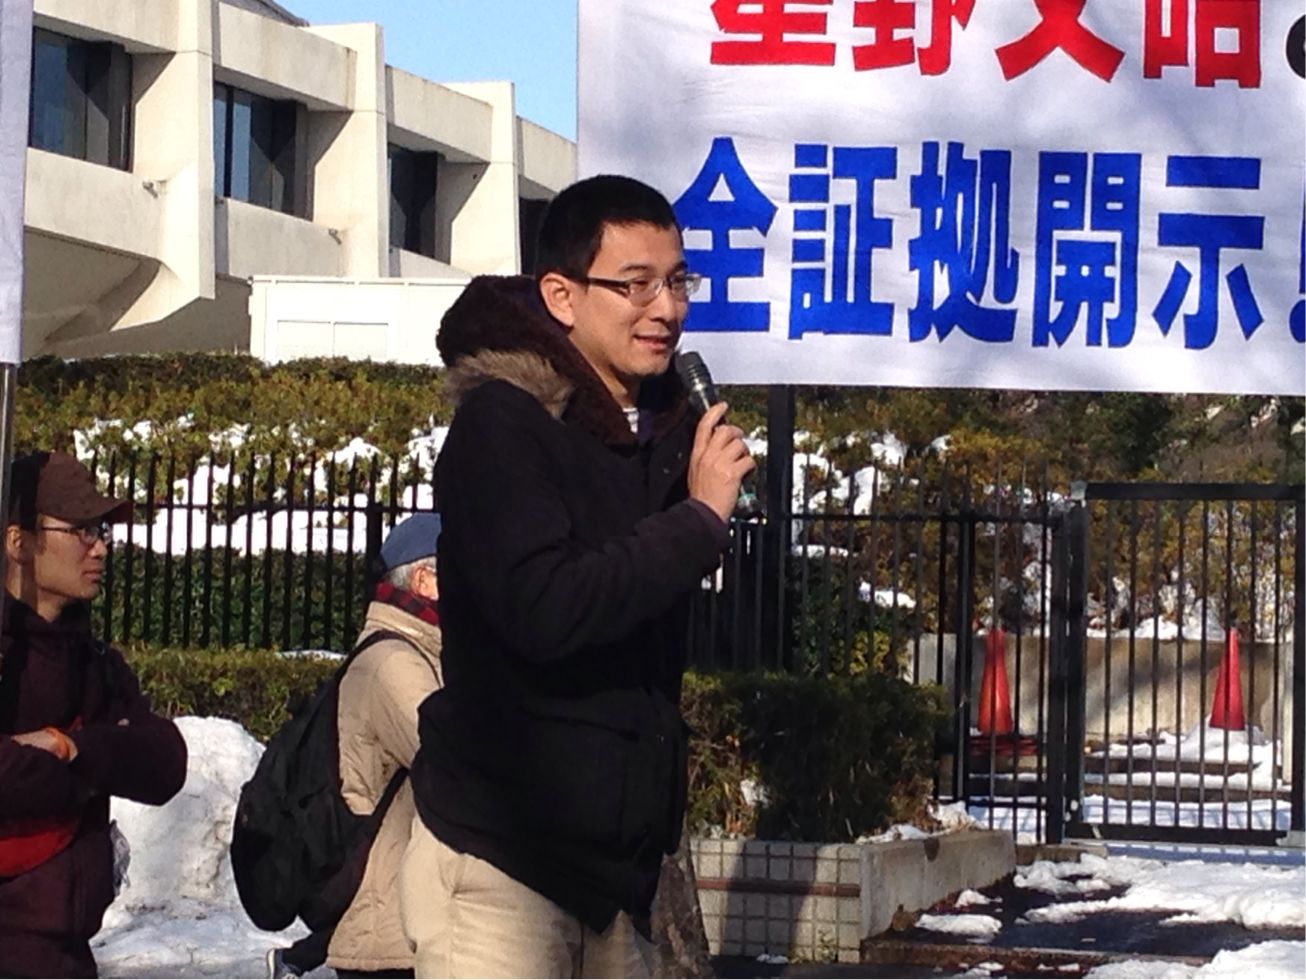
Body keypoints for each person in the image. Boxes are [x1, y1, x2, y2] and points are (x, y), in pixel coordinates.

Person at [401, 174, 755, 978]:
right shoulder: (503, 423)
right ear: (562, 295)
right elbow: (545, 607)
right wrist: (697, 522)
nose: (665, 309)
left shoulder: (660, 431)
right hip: (503, 866)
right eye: (635, 285)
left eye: (678, 282)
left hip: (616, 877)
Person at [0, 450, 188, 978]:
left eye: (101, 531)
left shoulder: (92, 660)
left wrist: (70, 746)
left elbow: (165, 763)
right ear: (19, 542)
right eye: (80, 530)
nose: (100, 547)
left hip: (70, 950)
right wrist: (96, 767)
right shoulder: (7, 659)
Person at [268, 512, 444, 980]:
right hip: (388, 931)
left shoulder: (422, 653)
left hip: (400, 922)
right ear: (425, 580)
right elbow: (455, 763)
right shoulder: (394, 665)